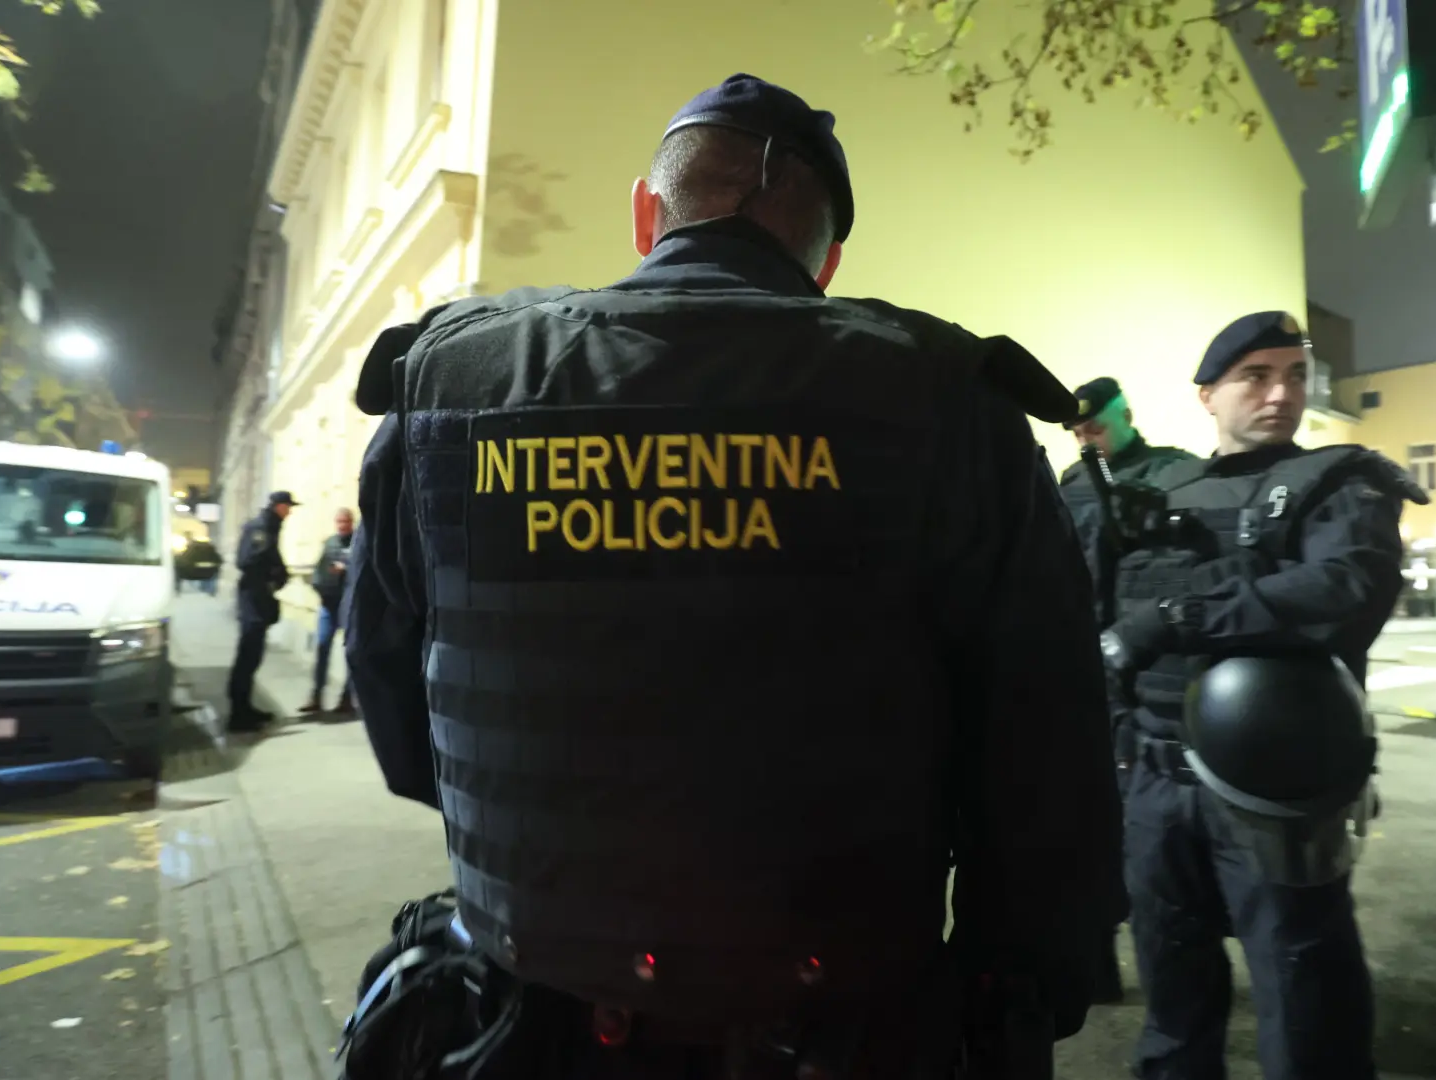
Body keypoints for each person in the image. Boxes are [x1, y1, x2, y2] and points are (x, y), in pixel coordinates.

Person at [341, 73, 1123, 1079]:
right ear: (825, 261)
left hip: (535, 1017)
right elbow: (1044, 752)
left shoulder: (450, 384)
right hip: (843, 1023)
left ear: (646, 213)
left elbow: (396, 705)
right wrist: (1019, 990)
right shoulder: (949, 402)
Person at [1100, 311, 1427, 1080]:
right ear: (1208, 395)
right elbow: (1106, 615)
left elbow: (1343, 587)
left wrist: (1179, 618)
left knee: (1302, 987)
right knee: (1170, 978)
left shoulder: (1339, 483)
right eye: (1255, 377)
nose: (1280, 394)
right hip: (1152, 776)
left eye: (1294, 376)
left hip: (1273, 785)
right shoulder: (1160, 491)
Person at [1054, 376, 1198, 1006]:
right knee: (1085, 820)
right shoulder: (1072, 482)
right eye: (1078, 430)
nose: (1087, 437)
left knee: (1145, 822)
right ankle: (1096, 960)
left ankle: (1172, 959)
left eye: (1096, 425)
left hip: (1141, 673)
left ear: (1126, 415)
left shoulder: (1174, 472)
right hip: (1078, 670)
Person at [228, 491, 295, 732]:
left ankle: (245, 708)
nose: (289, 511)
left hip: (259, 600)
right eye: (287, 506)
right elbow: (246, 561)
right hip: (252, 601)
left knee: (253, 657)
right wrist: (273, 571)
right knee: (247, 657)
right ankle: (238, 715)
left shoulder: (270, 526)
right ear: (278, 506)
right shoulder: (260, 527)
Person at [302, 507, 356, 716]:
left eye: (346, 522)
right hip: (328, 605)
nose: (342, 525)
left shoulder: (358, 543)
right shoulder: (330, 543)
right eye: (339, 522)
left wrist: (346, 569)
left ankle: (347, 699)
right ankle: (316, 696)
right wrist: (319, 589)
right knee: (322, 647)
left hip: (349, 606)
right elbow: (319, 570)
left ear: (351, 523)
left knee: (351, 652)